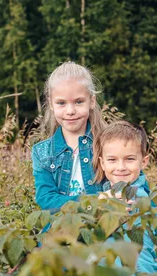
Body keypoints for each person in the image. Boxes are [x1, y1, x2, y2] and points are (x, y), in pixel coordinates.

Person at [93, 120, 157, 276]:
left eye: (129, 159)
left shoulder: (135, 195)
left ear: (144, 162)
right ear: (102, 163)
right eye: (112, 160)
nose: (121, 167)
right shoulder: (106, 195)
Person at [31, 61, 106, 214]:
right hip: (62, 228)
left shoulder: (109, 143)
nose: (70, 111)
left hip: (104, 226)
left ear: (91, 101)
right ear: (51, 104)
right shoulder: (42, 152)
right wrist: (93, 203)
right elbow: (47, 200)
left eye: (79, 102)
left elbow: (132, 184)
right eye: (61, 103)